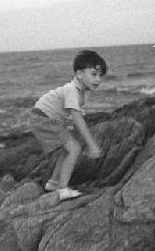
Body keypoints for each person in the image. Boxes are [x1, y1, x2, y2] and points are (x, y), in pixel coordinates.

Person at [30, 50, 107, 200]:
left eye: (100, 76)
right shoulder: (72, 90)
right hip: (44, 119)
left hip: (45, 118)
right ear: (79, 74)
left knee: (68, 150)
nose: (98, 79)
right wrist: (91, 144)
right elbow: (78, 118)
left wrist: (72, 130)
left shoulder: (84, 92)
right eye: (93, 74)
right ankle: (62, 189)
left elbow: (76, 115)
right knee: (74, 149)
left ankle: (53, 183)